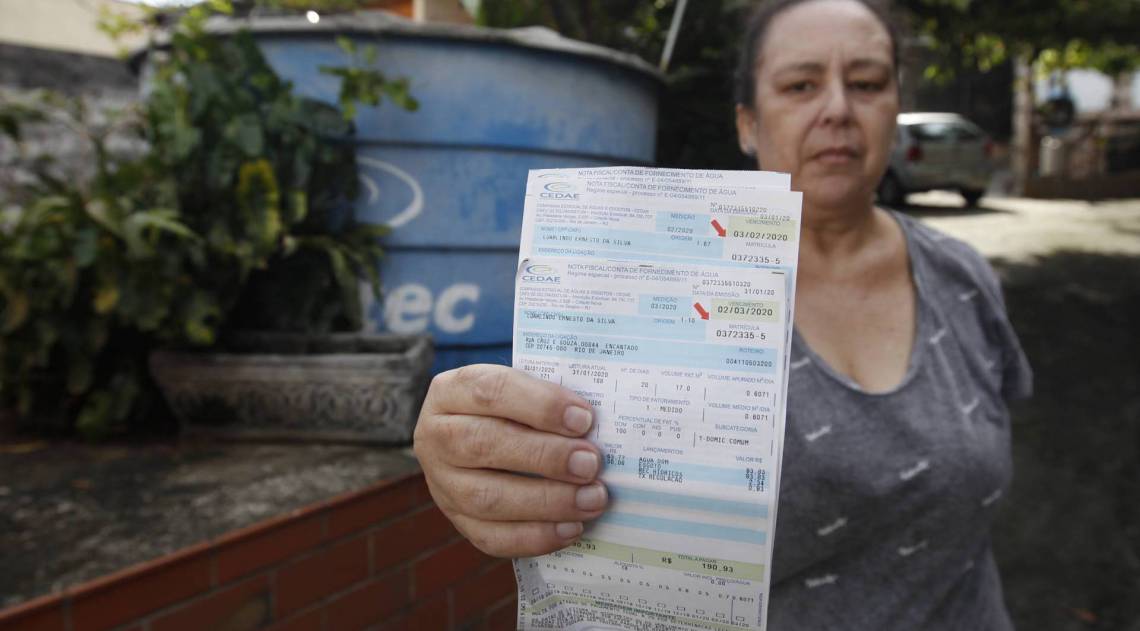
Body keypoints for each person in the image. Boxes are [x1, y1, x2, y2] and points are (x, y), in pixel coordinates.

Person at [412, 0, 1033, 628]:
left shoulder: (963, 278)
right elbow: (544, 440)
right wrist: (473, 449)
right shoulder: (649, 287)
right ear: (747, 124)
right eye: (801, 85)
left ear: (895, 107)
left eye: (867, 83)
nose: (838, 108)